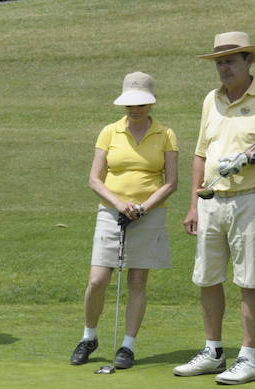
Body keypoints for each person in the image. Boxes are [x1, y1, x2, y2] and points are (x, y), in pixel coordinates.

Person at [176, 32, 255, 384]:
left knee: (248, 279)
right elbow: (200, 154)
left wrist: (252, 156)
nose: (224, 67)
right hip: (212, 202)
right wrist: (193, 205)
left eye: (231, 60)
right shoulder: (210, 100)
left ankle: (248, 358)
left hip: (251, 200)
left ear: (248, 62)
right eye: (219, 62)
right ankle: (214, 351)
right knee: (207, 277)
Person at [70, 71, 178, 369]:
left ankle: (127, 346)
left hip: (149, 215)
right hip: (111, 212)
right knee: (97, 279)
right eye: (130, 104)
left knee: (137, 281)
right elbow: (94, 178)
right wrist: (119, 203)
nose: (134, 109)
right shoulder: (109, 132)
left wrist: (142, 207)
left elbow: (171, 182)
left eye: (140, 104)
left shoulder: (165, 134)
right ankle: (89, 336)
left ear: (150, 103)